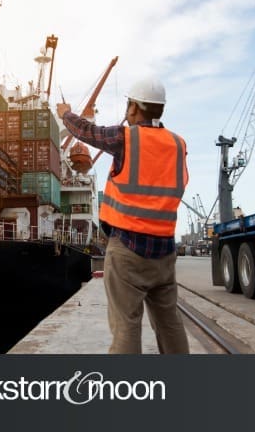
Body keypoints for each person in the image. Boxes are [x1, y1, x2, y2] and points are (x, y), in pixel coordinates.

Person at [57, 76, 190, 354]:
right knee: (170, 323)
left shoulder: (126, 138)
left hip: (128, 249)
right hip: (165, 252)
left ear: (134, 107)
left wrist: (65, 114)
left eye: (128, 105)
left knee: (126, 325)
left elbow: (87, 132)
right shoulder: (178, 144)